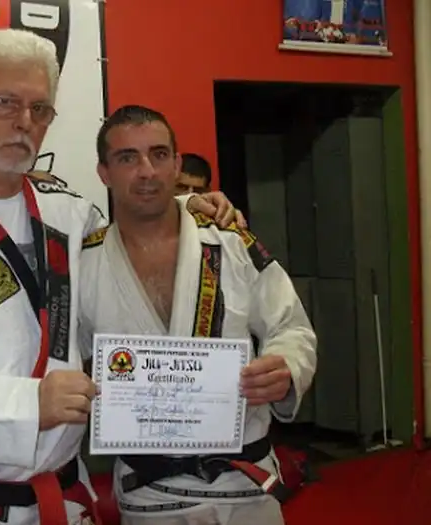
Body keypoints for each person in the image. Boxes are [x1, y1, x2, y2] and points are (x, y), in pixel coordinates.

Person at [0, 29, 240, 525]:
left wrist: (187, 210)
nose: (24, 122)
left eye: (40, 109)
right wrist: (29, 403)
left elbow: (133, 252)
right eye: (6, 103)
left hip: (64, 493)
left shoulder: (71, 215)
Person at [78, 105, 317, 525]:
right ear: (104, 173)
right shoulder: (85, 262)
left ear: (176, 164)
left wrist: (285, 368)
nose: (147, 171)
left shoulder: (231, 241)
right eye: (127, 158)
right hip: (149, 494)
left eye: (158, 154)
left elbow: (290, 325)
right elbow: (63, 363)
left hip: (245, 484)